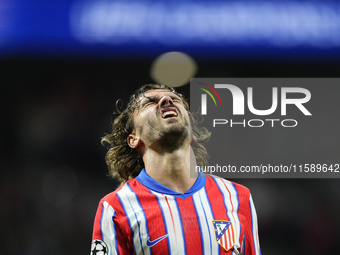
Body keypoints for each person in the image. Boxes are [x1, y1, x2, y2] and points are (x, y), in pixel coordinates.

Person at [91, 84, 261, 255]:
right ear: (133, 139)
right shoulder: (116, 207)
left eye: (175, 99)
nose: (167, 100)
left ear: (192, 133)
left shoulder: (237, 197)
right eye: (149, 103)